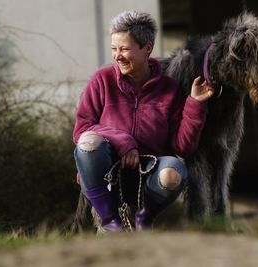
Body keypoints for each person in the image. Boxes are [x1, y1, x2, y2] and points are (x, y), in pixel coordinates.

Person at [73, 10, 214, 232]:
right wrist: (124, 141)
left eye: (125, 49)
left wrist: (195, 104)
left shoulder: (169, 89)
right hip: (110, 173)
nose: (117, 56)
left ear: (147, 48)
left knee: (174, 171)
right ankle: (110, 221)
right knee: (88, 142)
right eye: (114, 49)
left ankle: (144, 217)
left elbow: (183, 147)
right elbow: (82, 127)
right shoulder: (102, 80)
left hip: (149, 174)